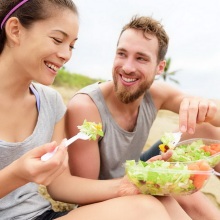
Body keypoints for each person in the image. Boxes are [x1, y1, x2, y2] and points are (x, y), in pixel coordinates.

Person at [0, 1, 193, 220]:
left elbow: (60, 186)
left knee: (157, 202)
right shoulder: (85, 103)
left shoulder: (50, 102)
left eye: (71, 46)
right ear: (15, 30)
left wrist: (131, 182)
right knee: (146, 210)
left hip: (42, 215)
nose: (66, 55)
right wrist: (17, 174)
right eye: (57, 40)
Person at [66, 15, 220, 220]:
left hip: (139, 167)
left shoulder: (156, 94)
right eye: (122, 54)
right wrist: (154, 182)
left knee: (208, 130)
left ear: (159, 67)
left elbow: (206, 113)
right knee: (183, 195)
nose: (128, 67)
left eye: (141, 58)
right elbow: (86, 195)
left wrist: (206, 108)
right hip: (110, 192)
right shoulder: (86, 107)